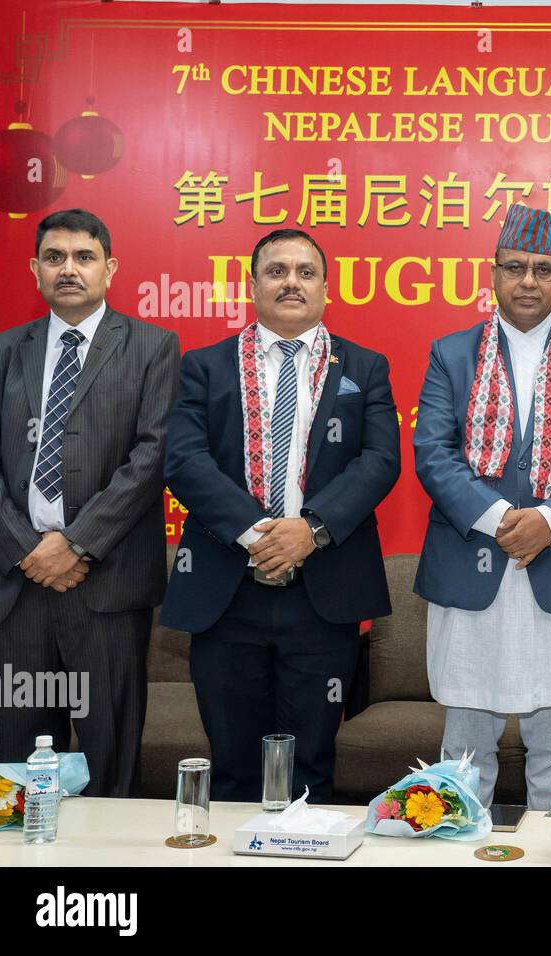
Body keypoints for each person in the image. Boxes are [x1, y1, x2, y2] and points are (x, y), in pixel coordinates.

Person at [160, 228, 400, 803]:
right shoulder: (206, 366)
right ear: (252, 285)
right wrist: (258, 535)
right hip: (226, 591)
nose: (291, 281)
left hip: (323, 591)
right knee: (234, 767)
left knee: (311, 766)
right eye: (276, 270)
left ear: (325, 288)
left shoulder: (364, 367)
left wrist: (309, 531)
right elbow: (184, 460)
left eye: (305, 271)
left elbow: (380, 461)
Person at [413, 205, 551, 810]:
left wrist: (549, 522)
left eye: (544, 269)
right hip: (472, 566)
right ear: (494, 273)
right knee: (463, 758)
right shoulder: (451, 354)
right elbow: (432, 451)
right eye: (515, 268)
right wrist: (501, 521)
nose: (528, 281)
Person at [0, 208, 179, 797]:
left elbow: (151, 459)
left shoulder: (152, 346)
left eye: (84, 257)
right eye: (55, 258)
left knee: (109, 756)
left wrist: (75, 543)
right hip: (19, 590)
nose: (69, 269)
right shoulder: (0, 353)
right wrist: (29, 551)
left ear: (109, 268)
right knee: (22, 766)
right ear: (35, 270)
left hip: (108, 586)